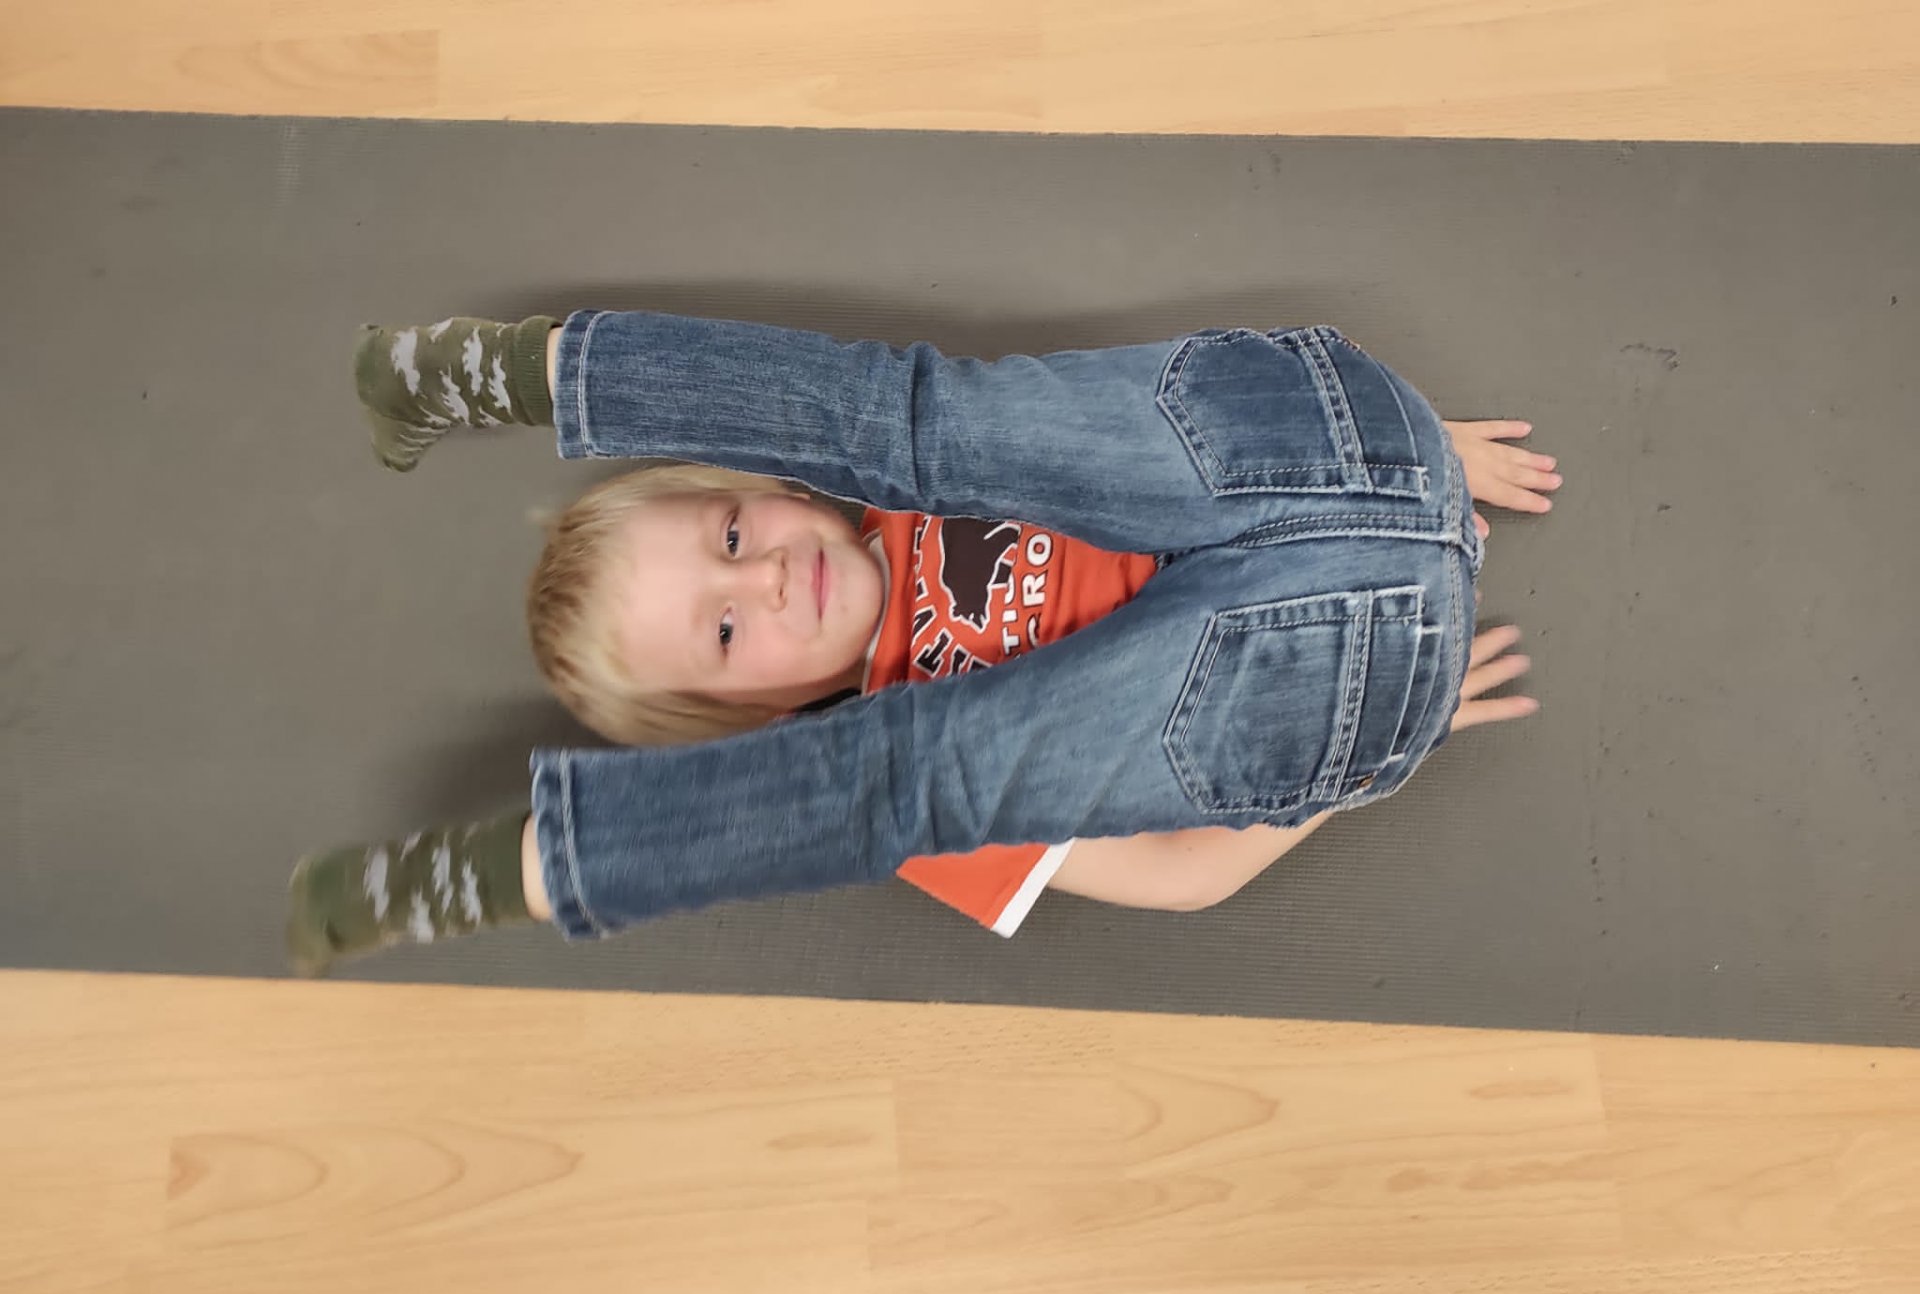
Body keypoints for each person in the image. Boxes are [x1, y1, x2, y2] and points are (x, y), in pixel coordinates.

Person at [287, 309, 1559, 973]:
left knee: (914, 417)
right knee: (913, 782)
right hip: (1349, 678)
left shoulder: (901, 477)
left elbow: (1155, 427)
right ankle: (469, 878)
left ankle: (473, 370)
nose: (767, 577)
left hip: (1342, 442)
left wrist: (1399, 449)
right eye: (725, 628)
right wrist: (1343, 763)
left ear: (768, 486)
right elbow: (1185, 875)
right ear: (750, 719)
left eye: (731, 532)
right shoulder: (930, 810)